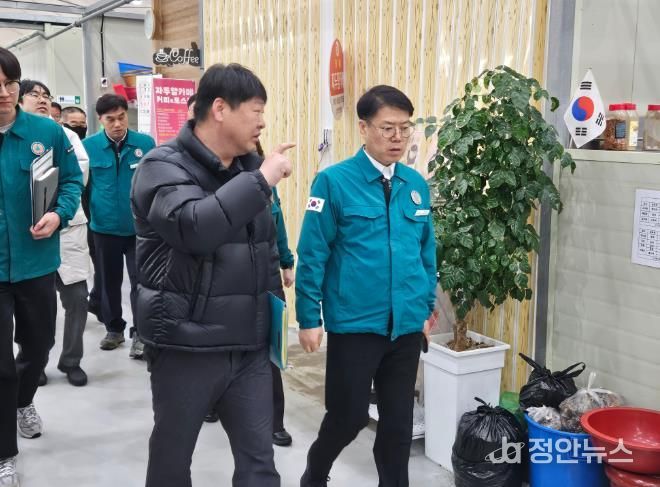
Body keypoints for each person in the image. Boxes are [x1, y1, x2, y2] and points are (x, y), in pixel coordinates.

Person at [131, 62, 293, 487]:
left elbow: (265, 251)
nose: (262, 122)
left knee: (260, 464)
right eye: (256, 111)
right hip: (186, 345)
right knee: (172, 461)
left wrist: (273, 326)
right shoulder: (161, 166)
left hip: (249, 348)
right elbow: (194, 228)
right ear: (220, 109)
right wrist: (261, 179)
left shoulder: (247, 168)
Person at [295, 85, 437, 487]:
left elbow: (426, 252)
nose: (397, 138)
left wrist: (426, 308)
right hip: (356, 323)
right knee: (349, 416)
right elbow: (313, 253)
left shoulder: (415, 184)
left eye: (405, 128)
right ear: (363, 128)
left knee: (398, 424)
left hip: (405, 325)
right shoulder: (333, 182)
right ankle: (314, 474)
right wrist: (309, 317)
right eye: (387, 128)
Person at [0, 47, 83, 487]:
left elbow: (71, 181)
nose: (3, 92)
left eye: (10, 83)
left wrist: (58, 214)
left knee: (38, 346)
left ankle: (23, 400)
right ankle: (4, 455)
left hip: (35, 263)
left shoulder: (47, 132)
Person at [202, 140, 295, 449]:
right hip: (225, 277)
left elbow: (278, 221)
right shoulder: (212, 180)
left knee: (272, 348)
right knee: (221, 344)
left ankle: (275, 421)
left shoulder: (267, 181)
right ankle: (214, 401)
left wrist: (286, 262)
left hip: (267, 276)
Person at [19, 80, 91, 387]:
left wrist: (56, 208)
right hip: (29, 234)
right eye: (34, 94)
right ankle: (35, 361)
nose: (42, 99)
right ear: (19, 99)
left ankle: (71, 360)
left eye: (46, 95)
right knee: (33, 306)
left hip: (68, 228)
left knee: (77, 298)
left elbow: (79, 173)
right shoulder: (11, 135)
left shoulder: (65, 135)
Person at [82, 94, 155, 358]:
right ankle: (114, 329)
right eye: (110, 119)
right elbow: (83, 188)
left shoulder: (145, 144)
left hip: (139, 230)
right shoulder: (88, 147)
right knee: (108, 282)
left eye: (121, 117)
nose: (117, 124)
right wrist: (92, 218)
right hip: (103, 229)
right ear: (100, 119)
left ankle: (141, 334)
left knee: (141, 282)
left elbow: (154, 184)